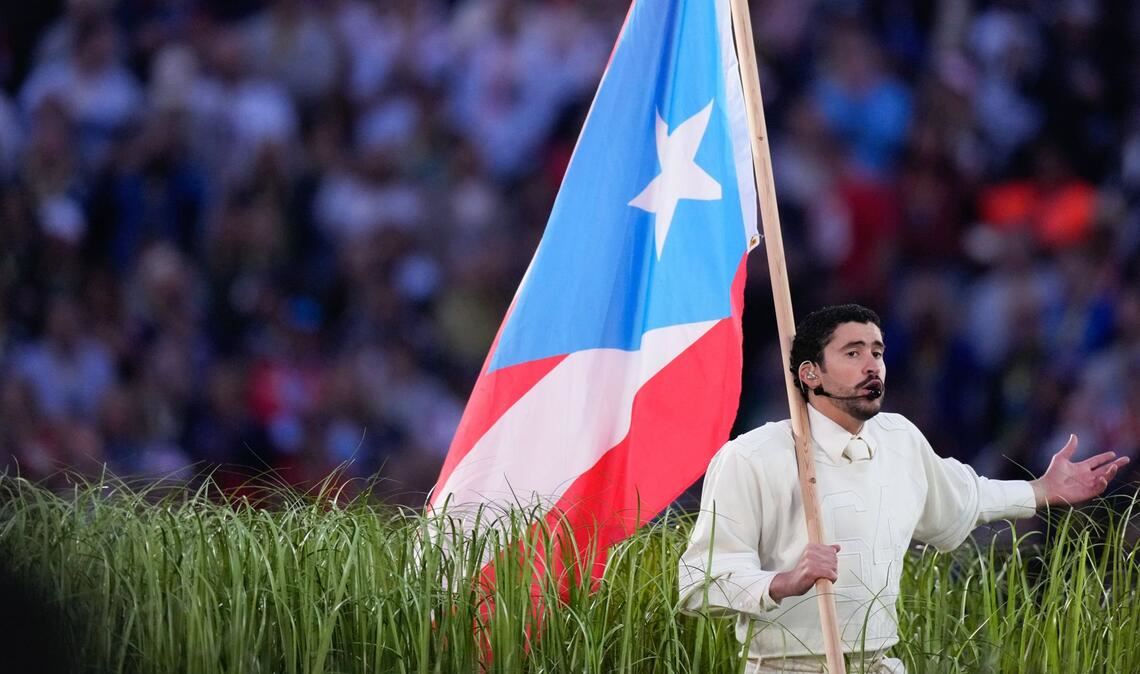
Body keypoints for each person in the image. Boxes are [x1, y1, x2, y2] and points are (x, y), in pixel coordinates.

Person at [677, 304, 1129, 674]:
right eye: (853, 353)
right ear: (810, 373)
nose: (872, 364)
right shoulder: (751, 456)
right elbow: (698, 581)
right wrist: (783, 581)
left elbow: (963, 495)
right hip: (785, 668)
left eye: (878, 351)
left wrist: (1039, 491)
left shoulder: (900, 438)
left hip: (880, 664)